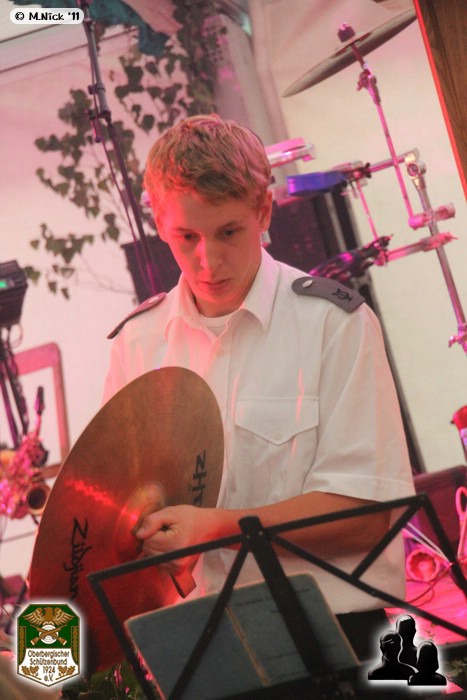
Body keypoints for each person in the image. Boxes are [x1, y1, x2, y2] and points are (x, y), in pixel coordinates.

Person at [103, 114, 415, 661]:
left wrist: (216, 528)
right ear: (158, 223)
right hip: (200, 642)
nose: (209, 260)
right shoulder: (136, 342)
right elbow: (118, 511)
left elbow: (367, 517)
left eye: (229, 231)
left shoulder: (333, 322)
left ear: (264, 211)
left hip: (340, 634)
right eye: (186, 237)